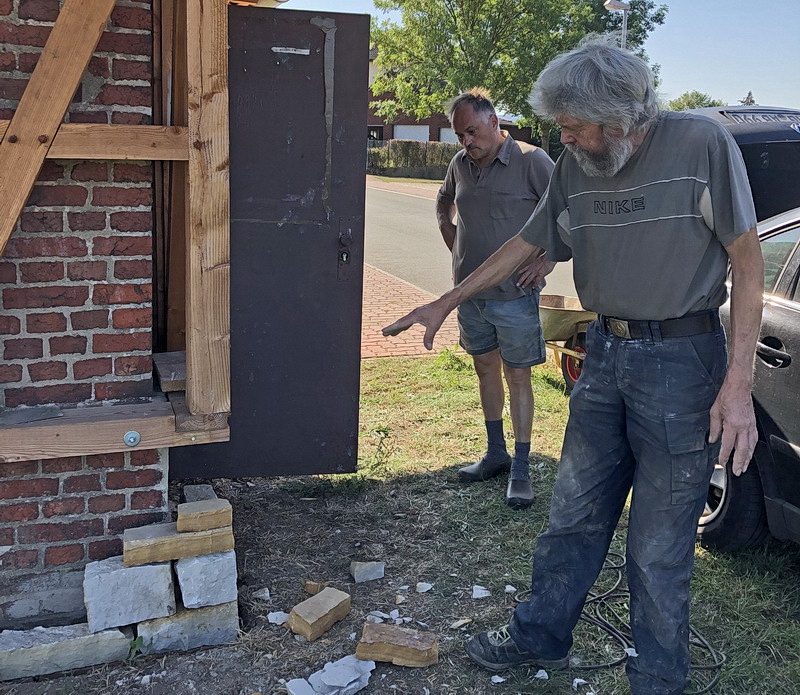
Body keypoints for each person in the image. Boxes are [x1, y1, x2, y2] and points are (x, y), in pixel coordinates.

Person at [383, 37, 764, 695]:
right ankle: (540, 634)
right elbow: (529, 241)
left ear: (621, 114)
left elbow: (749, 260)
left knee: (657, 545)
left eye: (572, 123)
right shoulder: (573, 162)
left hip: (682, 361)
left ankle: (657, 678)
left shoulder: (700, 145)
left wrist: (738, 385)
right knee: (572, 515)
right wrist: (448, 299)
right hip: (605, 354)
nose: (562, 135)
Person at [437, 88, 555, 509]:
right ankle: (495, 454)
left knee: (517, 376)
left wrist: (548, 260)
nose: (466, 142)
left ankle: (521, 468)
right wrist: (452, 242)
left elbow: (568, 212)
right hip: (469, 294)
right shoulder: (459, 164)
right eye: (458, 136)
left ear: (494, 122)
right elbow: (444, 203)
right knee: (485, 369)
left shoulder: (532, 160)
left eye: (471, 131)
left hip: (514, 294)